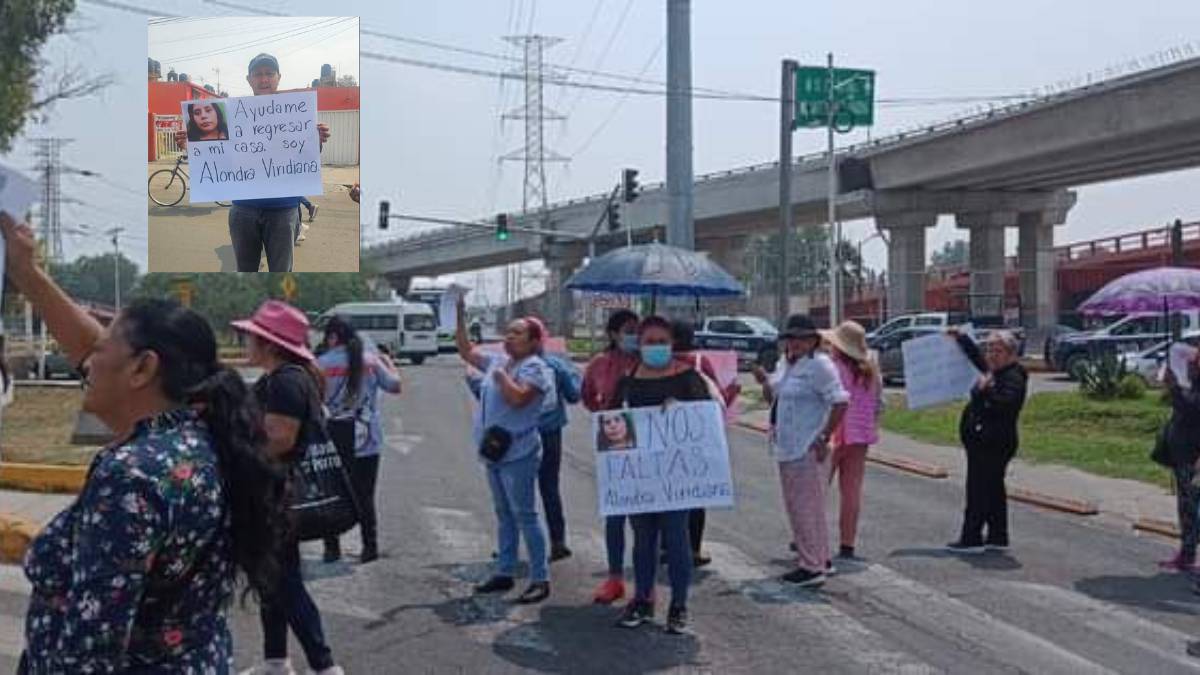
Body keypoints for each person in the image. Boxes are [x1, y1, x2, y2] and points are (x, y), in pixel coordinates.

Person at [2, 212, 288, 672]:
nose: (87, 362)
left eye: (102, 349)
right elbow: (96, 351)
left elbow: (90, 651)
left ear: (142, 369)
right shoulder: (198, 438)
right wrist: (27, 274)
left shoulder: (131, 476)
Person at [233, 300, 345, 675]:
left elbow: (279, 438)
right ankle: (276, 660)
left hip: (274, 495)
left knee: (286, 583)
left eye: (251, 335)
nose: (246, 341)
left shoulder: (286, 381)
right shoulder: (285, 378)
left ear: (269, 343)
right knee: (272, 581)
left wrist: (236, 453)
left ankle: (325, 665)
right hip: (274, 493)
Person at [175, 53, 331, 272]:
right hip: (243, 209)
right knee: (246, 270)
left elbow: (306, 158)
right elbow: (218, 157)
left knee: (281, 271)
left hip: (283, 209)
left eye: (269, 73)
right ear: (249, 79)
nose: (264, 79)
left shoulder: (296, 112)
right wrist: (191, 144)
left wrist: (317, 140)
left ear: (279, 77)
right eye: (258, 74)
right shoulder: (231, 114)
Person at [614, 316, 713, 634]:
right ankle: (643, 600)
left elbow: (704, 420)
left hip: (676, 477)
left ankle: (678, 605)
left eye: (662, 342)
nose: (656, 347)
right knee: (643, 541)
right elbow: (612, 424)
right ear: (639, 345)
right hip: (640, 476)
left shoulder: (688, 378)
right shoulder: (627, 381)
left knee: (677, 538)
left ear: (671, 345)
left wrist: (680, 409)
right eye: (649, 341)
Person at [456, 298, 552, 604]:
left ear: (534, 342)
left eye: (517, 333)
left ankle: (540, 577)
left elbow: (519, 399)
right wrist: (458, 314)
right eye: (508, 332)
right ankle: (505, 570)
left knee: (525, 514)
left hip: (520, 451)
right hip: (494, 451)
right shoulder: (500, 360)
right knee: (503, 514)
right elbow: (466, 352)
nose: (509, 337)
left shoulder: (536, 367)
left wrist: (499, 377)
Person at [753, 314, 849, 587]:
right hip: (787, 443)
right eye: (791, 338)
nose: (795, 343)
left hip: (807, 445)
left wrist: (823, 435)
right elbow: (775, 397)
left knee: (805, 508)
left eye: (802, 338)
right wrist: (764, 382)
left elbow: (840, 402)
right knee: (805, 508)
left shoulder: (819, 366)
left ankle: (811, 566)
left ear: (813, 341)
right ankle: (820, 558)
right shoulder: (787, 364)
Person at [319, 316, 402, 564]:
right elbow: (395, 386)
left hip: (333, 435)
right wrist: (390, 363)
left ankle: (332, 548)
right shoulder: (371, 361)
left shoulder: (320, 364)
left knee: (332, 492)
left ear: (333, 337)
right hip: (366, 437)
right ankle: (370, 547)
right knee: (365, 495)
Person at [944, 328, 1028, 554]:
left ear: (1011, 353)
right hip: (985, 441)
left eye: (997, 350)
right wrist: (962, 339)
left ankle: (971, 537)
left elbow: (1004, 405)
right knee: (992, 490)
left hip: (994, 443)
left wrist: (982, 393)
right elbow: (979, 360)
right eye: (989, 349)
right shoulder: (997, 371)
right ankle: (997, 536)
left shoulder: (1013, 376)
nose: (991, 354)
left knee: (979, 489)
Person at [670, 319, 739, 569]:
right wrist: (733, 391)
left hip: (664, 441)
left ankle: (667, 546)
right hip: (695, 439)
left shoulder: (656, 364)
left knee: (667, 493)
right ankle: (693, 548)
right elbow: (718, 400)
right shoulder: (700, 363)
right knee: (694, 496)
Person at [584, 309, 641, 604]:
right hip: (615, 441)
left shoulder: (649, 361)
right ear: (614, 334)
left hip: (649, 446)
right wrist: (603, 414)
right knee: (615, 516)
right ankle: (615, 577)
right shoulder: (600, 364)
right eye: (629, 330)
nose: (634, 335)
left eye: (637, 330)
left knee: (645, 519)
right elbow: (587, 398)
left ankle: (645, 584)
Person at [822, 320, 882, 562]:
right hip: (861, 435)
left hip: (835, 432)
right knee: (852, 492)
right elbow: (878, 403)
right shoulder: (871, 371)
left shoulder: (834, 368)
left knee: (818, 489)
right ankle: (848, 543)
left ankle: (811, 538)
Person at [526, 317, 583, 563]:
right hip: (550, 435)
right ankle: (558, 541)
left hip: (520, 436)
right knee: (550, 488)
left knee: (519, 491)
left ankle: (514, 541)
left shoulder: (512, 366)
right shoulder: (555, 366)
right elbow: (573, 396)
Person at [1161, 347, 1200, 572]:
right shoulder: (1194, 383)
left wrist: (1175, 388)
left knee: (1191, 506)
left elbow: (1192, 409)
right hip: (1184, 454)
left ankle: (1188, 552)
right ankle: (1187, 552)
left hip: (1193, 456)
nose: (1192, 362)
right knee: (1186, 505)